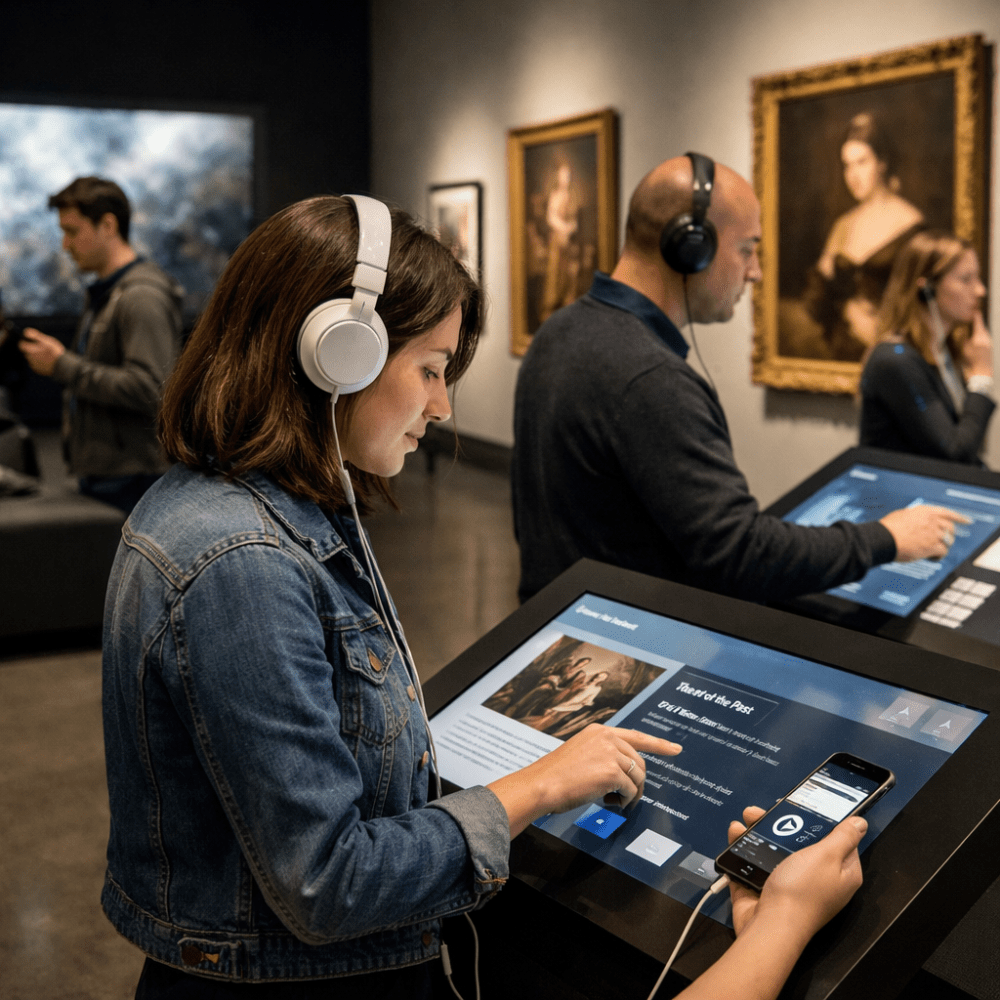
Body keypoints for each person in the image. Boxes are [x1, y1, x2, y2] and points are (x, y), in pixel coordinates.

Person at [103, 194, 868, 998]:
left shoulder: (234, 508)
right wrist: (539, 783)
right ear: (339, 356)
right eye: (429, 370)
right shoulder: (246, 563)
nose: (442, 405)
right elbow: (327, 882)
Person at [512, 153, 967, 604]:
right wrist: (885, 538)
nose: (756, 272)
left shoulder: (559, 330)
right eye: (747, 249)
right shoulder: (651, 379)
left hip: (558, 614)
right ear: (691, 248)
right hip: (629, 640)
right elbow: (741, 555)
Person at [18, 176, 183, 512]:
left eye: (73, 231)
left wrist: (61, 365)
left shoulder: (141, 297)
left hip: (135, 484)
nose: (65, 244)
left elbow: (152, 389)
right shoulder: (109, 293)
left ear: (108, 225)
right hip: (111, 480)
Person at [783, 112, 924, 362]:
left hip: (893, 356)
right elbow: (817, 298)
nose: (853, 175)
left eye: (862, 162)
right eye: (847, 165)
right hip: (841, 352)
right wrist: (847, 309)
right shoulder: (843, 225)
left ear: (882, 162)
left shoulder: (910, 222)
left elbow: (920, 307)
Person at [860, 230, 995, 463]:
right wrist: (981, 379)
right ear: (926, 289)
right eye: (966, 279)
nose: (980, 290)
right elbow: (955, 452)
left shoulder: (942, 353)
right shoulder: (895, 360)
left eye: (978, 278)